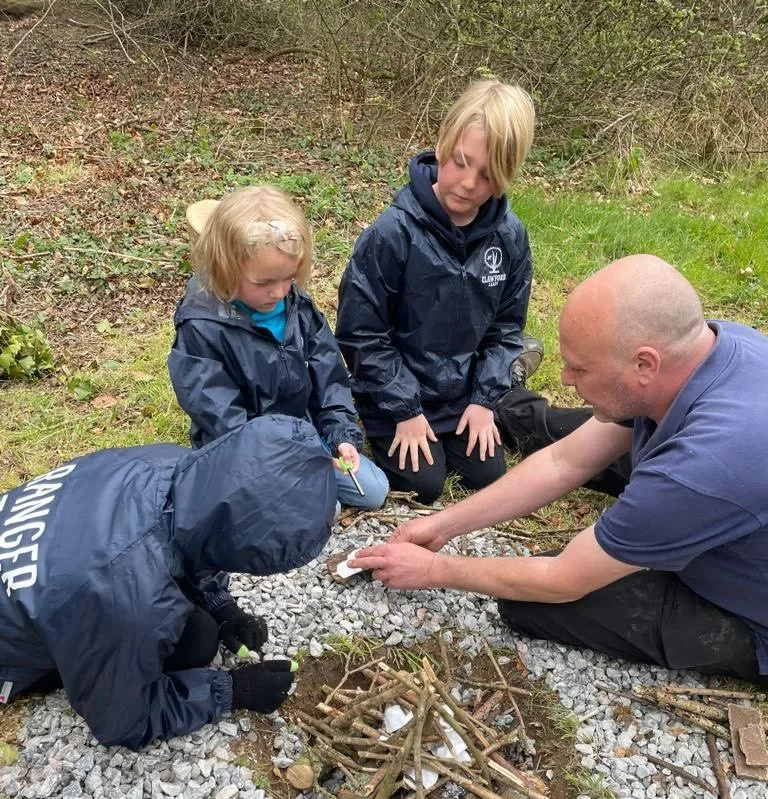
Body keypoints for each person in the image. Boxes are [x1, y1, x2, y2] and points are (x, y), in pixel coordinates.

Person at [351, 255, 768, 684]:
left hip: (749, 617)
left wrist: (433, 570)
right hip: (715, 486)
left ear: (645, 364)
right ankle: (515, 407)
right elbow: (564, 460)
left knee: (529, 602)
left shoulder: (696, 471)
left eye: (580, 368)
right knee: (597, 421)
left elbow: (563, 579)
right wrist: (442, 525)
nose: (565, 378)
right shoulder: (708, 348)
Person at [0, 415, 337, 749]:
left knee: (200, 630)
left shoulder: (167, 460)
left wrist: (222, 607)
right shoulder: (129, 599)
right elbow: (124, 720)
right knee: (194, 644)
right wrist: (234, 691)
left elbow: (195, 532)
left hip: (56, 547)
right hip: (13, 646)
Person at [336, 78, 546, 505]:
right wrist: (405, 410)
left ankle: (496, 399)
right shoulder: (392, 233)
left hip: (461, 394)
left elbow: (506, 329)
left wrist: (483, 401)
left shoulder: (510, 237)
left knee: (487, 474)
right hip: (393, 392)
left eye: (487, 175)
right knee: (425, 484)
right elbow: (361, 334)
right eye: (461, 162)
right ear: (442, 144)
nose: (468, 183)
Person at [169, 185, 389, 511]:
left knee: (374, 490)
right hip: (244, 452)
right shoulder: (202, 326)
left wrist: (341, 436)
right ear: (225, 267)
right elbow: (220, 415)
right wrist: (287, 458)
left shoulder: (298, 307)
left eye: (288, 278)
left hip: (304, 436)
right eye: (264, 283)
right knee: (318, 508)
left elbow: (329, 378)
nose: (278, 292)